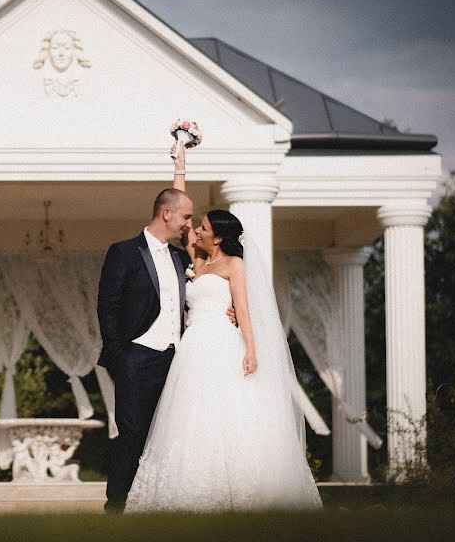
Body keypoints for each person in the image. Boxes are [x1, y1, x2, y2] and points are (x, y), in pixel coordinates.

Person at [123, 142, 322, 512]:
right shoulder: (197, 261)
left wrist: (251, 348)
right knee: (191, 416)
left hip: (224, 345)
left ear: (218, 237)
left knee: (229, 413)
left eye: (202, 227)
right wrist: (181, 165)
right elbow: (177, 207)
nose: (194, 228)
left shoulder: (234, 265)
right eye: (195, 225)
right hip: (193, 348)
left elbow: (244, 310)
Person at [96, 168, 236, 513]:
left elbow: (209, 289)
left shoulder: (181, 257)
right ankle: (116, 508)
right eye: (186, 217)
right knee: (131, 434)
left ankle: (152, 506)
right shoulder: (123, 252)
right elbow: (107, 307)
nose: (189, 225)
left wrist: (226, 312)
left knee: (172, 435)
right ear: (166, 213)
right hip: (137, 356)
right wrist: (120, 356)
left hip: (179, 360)